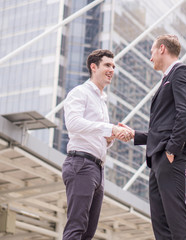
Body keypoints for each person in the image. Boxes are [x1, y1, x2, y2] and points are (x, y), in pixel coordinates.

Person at [121, 34, 186, 240]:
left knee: (176, 218)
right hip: (157, 160)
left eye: (152, 51)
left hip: (169, 157)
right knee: (161, 223)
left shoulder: (181, 73)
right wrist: (134, 135)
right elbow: (163, 128)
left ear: (162, 49)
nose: (150, 57)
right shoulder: (167, 79)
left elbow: (185, 114)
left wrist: (172, 150)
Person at [62, 49, 132, 240]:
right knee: (76, 227)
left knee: (88, 232)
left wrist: (110, 138)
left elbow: (97, 135)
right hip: (81, 164)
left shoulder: (102, 101)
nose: (112, 69)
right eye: (107, 65)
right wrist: (109, 129)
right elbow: (73, 124)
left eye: (113, 66)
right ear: (94, 67)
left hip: (97, 168)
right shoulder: (80, 92)